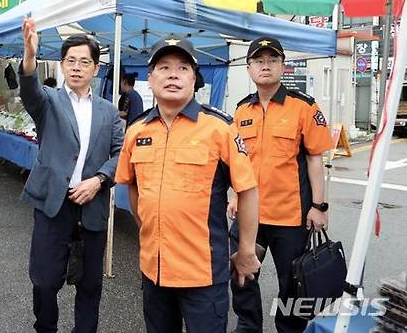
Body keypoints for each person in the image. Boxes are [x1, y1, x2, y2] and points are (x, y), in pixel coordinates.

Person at [115, 36, 261, 333]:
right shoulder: (136, 131)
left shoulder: (219, 128)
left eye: (183, 68)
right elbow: (132, 187)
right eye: (164, 67)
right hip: (153, 271)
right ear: (151, 77)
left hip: (203, 275)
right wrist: (150, 228)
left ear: (194, 79)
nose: (172, 74)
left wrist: (246, 250)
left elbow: (247, 190)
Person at [19, 18, 124, 333]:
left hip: (92, 204)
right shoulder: (49, 101)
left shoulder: (108, 110)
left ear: (96, 68)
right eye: (71, 61)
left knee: (91, 283)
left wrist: (100, 180)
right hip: (54, 202)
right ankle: (46, 328)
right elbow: (29, 89)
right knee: (45, 280)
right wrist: (29, 55)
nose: (77, 67)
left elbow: (122, 154)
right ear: (62, 65)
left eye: (85, 62)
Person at [228, 37, 334, 333]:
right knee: (241, 274)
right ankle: (248, 326)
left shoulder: (304, 107)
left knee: (293, 282)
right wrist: (234, 196)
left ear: (283, 66)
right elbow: (238, 163)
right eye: (259, 61)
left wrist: (318, 206)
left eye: (272, 60)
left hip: (290, 216)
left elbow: (315, 159)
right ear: (249, 68)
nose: (265, 66)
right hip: (250, 215)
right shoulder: (240, 111)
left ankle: (289, 329)